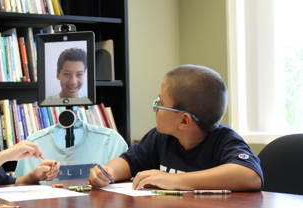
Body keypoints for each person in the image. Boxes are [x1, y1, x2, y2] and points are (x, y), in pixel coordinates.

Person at [89, 65, 264, 191]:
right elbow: (129, 161)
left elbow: (250, 175)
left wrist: (175, 180)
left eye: (161, 103)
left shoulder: (224, 140)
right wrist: (108, 172)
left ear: (184, 121)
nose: (156, 107)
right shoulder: (161, 137)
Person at [14, 119, 128, 177]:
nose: (73, 81)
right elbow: (16, 186)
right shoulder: (33, 143)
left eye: (79, 74)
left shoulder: (111, 140)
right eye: (67, 73)